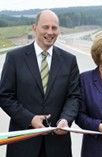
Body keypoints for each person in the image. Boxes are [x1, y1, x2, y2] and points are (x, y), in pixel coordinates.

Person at [0, 10, 80, 157]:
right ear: (34, 27)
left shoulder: (69, 61)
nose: (50, 32)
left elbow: (74, 96)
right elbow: (4, 96)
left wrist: (65, 119)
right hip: (23, 144)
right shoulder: (14, 58)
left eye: (54, 28)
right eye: (45, 27)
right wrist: (29, 119)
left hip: (58, 144)